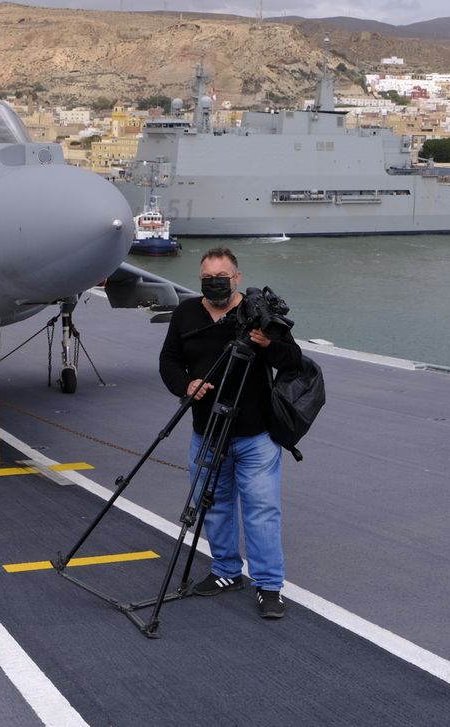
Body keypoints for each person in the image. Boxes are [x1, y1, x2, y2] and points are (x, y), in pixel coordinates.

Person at [158, 247, 302, 619]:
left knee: (262, 511)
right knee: (213, 506)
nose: (214, 283)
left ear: (237, 277)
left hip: (255, 436)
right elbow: (169, 360)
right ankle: (225, 571)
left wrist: (270, 344)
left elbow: (293, 363)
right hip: (206, 431)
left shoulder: (257, 316)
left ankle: (269, 587)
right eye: (207, 278)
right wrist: (185, 385)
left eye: (221, 277)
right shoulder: (186, 313)